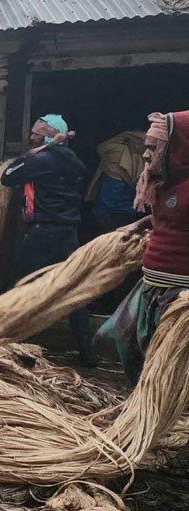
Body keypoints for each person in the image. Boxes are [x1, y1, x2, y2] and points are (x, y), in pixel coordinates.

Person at [96, 111, 189, 384]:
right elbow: (171, 217)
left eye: (154, 147)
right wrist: (140, 224)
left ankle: (167, 414)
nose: (146, 155)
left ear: (180, 148)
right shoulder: (162, 182)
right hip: (151, 287)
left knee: (169, 366)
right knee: (117, 339)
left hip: (179, 295)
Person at [1, 114, 97, 367]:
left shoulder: (41, 159)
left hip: (43, 233)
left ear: (47, 135)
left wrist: (31, 155)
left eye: (35, 133)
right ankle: (88, 352)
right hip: (68, 233)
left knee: (23, 286)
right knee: (72, 289)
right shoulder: (73, 161)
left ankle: (19, 347)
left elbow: (8, 177)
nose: (30, 137)